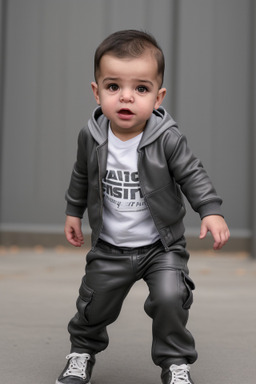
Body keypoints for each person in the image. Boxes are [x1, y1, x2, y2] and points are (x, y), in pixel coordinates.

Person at [56, 30, 230, 384]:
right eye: (113, 86)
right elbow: (81, 175)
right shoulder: (91, 136)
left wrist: (210, 209)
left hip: (160, 247)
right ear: (97, 91)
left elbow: (192, 174)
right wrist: (73, 211)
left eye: (141, 88)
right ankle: (81, 352)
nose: (126, 97)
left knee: (172, 296)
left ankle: (175, 363)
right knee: (93, 303)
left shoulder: (166, 137)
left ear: (158, 95)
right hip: (110, 247)